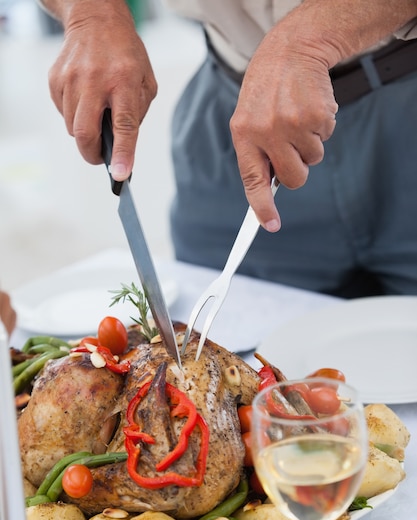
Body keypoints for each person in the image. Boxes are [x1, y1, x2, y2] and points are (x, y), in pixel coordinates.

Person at [38, 0, 417, 297]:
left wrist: (310, 39)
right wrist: (91, 13)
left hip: (404, 95)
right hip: (231, 116)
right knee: (223, 364)